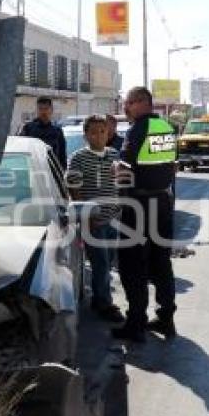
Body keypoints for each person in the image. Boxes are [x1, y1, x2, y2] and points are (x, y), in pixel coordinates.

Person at [112, 86, 178, 343]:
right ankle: (165, 318)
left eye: (128, 103)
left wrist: (116, 167)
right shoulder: (167, 128)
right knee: (161, 262)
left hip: (138, 204)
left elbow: (124, 168)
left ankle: (136, 323)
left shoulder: (138, 129)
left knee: (131, 264)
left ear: (141, 103)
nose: (125, 108)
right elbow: (172, 166)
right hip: (162, 201)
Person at [66, 115, 123, 323]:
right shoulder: (78, 158)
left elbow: (119, 184)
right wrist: (86, 216)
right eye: (94, 132)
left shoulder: (114, 154)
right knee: (100, 264)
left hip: (113, 219)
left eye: (103, 131)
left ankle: (99, 298)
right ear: (86, 135)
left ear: (108, 133)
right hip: (94, 222)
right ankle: (104, 304)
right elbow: (73, 187)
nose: (99, 136)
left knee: (107, 263)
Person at [18, 96, 67, 167]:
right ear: (37, 110)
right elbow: (21, 151)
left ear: (51, 110)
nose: (43, 112)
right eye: (40, 109)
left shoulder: (57, 131)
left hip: (51, 172)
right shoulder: (28, 128)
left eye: (46, 109)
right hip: (33, 170)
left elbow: (62, 156)